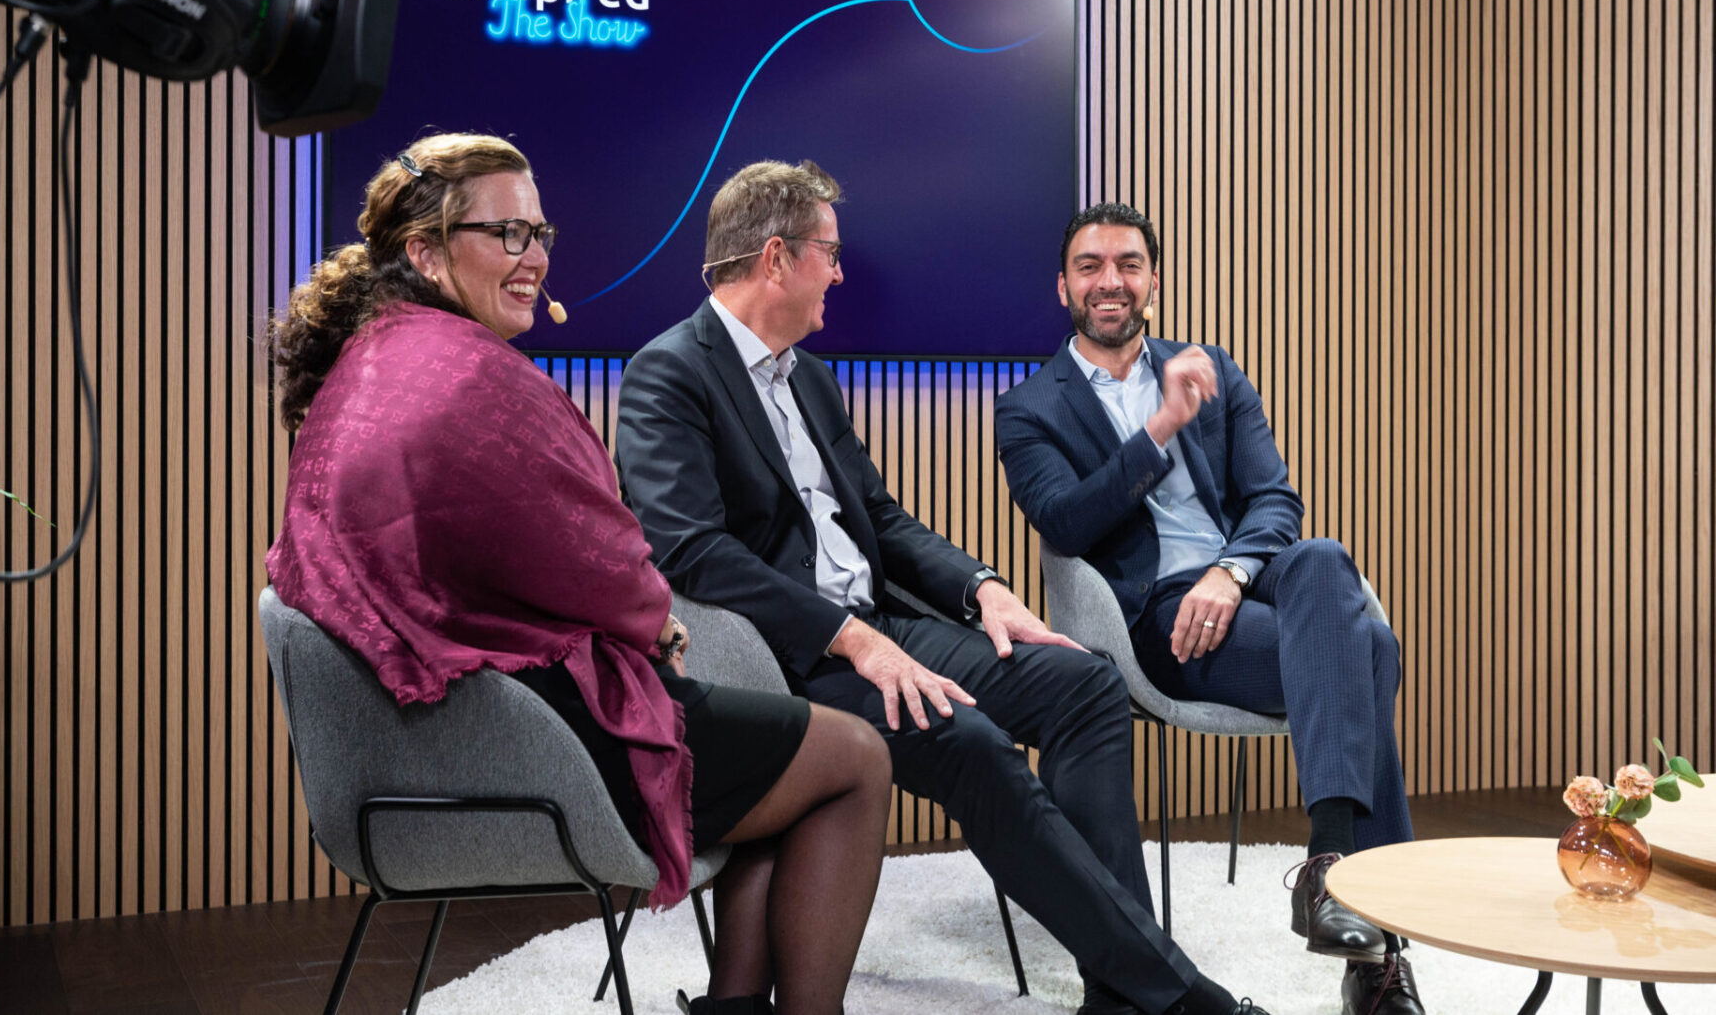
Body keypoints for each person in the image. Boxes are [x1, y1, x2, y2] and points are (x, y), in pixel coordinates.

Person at [614, 160, 1271, 1015]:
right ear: (776, 259)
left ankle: (1120, 990)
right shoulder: (670, 372)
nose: (841, 273)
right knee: (968, 742)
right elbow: (691, 550)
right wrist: (849, 638)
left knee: (1085, 686)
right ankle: (1176, 998)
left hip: (881, 625)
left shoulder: (806, 377)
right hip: (790, 657)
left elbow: (881, 520)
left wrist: (985, 589)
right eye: (829, 253)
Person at [265, 134, 893, 1015]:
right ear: (425, 251)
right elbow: (609, 566)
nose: (534, 258)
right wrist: (660, 627)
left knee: (779, 756)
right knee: (854, 757)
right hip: (527, 745)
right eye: (505, 235)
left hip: (412, 745)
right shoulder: (474, 377)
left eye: (539, 232)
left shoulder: (363, 363)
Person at [994, 202, 1425, 1015]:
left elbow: (1273, 501)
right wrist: (1159, 427)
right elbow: (1067, 521)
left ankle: (1330, 862)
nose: (1110, 281)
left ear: (1152, 281)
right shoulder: (1030, 408)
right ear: (1063, 287)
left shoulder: (1213, 369)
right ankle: (1379, 960)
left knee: (1326, 559)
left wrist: (1230, 569)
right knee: (1367, 651)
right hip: (1152, 618)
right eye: (1090, 266)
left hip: (1245, 584)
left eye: (1128, 264)